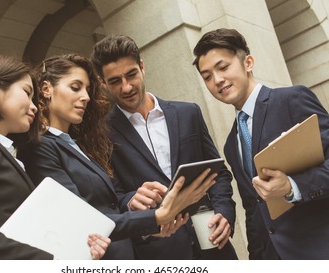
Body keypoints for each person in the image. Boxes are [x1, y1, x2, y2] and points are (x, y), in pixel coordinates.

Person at [18, 53, 217, 260]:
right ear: (46, 89)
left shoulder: (80, 147)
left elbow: (110, 208)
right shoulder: (39, 147)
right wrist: (156, 217)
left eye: (87, 89)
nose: (85, 96)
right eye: (75, 87)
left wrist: (144, 220)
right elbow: (82, 220)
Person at [0, 55, 110, 260]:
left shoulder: (10, 153)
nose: (35, 106)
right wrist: (48, 260)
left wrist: (79, 249)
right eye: (27, 93)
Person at [90, 35, 238, 260]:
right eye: (115, 81)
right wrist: (130, 200)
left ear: (142, 67)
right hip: (160, 254)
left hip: (213, 244)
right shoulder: (101, 135)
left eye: (131, 75)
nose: (126, 87)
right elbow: (113, 198)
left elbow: (219, 173)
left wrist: (224, 212)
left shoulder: (189, 113)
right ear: (102, 83)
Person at [192, 28, 329, 259]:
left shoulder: (292, 99)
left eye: (223, 67)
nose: (217, 80)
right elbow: (253, 209)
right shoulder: (230, 144)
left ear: (248, 62)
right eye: (207, 76)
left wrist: (292, 186)